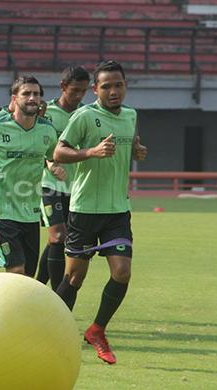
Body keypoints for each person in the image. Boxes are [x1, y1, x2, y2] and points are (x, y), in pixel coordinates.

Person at [53, 60, 148, 364]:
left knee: (122, 272)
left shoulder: (131, 116)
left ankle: (97, 329)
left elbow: (130, 143)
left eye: (118, 84)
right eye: (106, 86)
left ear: (125, 86)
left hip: (118, 210)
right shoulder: (84, 116)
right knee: (74, 278)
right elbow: (58, 152)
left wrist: (136, 150)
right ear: (95, 90)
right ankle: (49, 328)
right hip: (84, 210)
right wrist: (91, 152)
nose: (113, 91)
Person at [0, 76, 58, 279]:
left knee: (26, 275)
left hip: (30, 211)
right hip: (0, 209)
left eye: (37, 94)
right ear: (15, 99)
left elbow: (51, 156)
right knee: (16, 270)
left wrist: (53, 166)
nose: (33, 98)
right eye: (27, 93)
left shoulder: (47, 130)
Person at [35, 66, 90, 290]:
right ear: (63, 87)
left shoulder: (86, 114)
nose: (78, 96)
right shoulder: (45, 112)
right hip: (49, 185)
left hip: (76, 188)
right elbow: (35, 144)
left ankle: (37, 285)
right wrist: (50, 163)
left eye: (83, 91)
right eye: (74, 90)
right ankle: (58, 295)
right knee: (58, 236)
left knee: (58, 240)